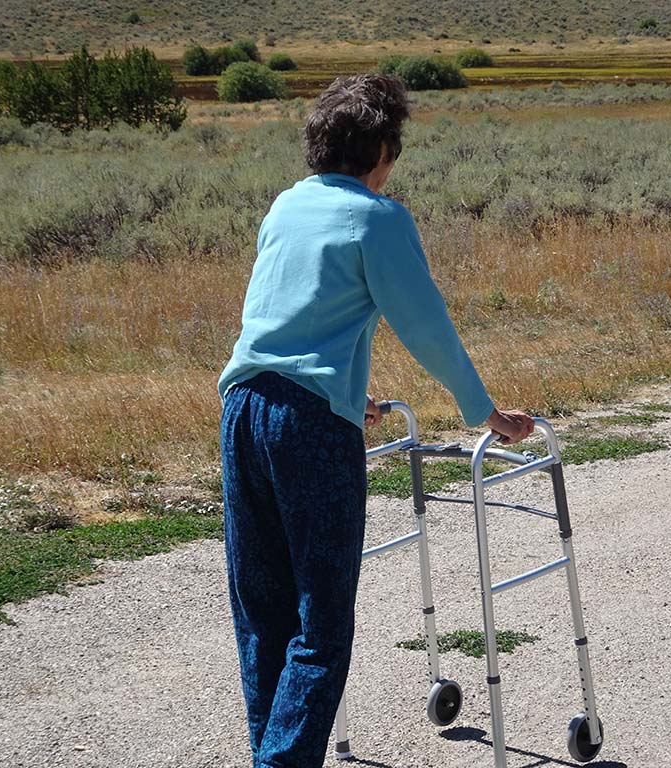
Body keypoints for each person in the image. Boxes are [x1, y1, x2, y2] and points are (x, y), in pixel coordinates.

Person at [218, 73, 535, 768]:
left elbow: (289, 318)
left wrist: (342, 390)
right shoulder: (377, 216)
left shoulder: (286, 206)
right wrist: (484, 411)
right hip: (309, 430)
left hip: (243, 408)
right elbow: (426, 328)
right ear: (383, 147)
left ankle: (270, 755)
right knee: (320, 622)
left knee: (264, 613)